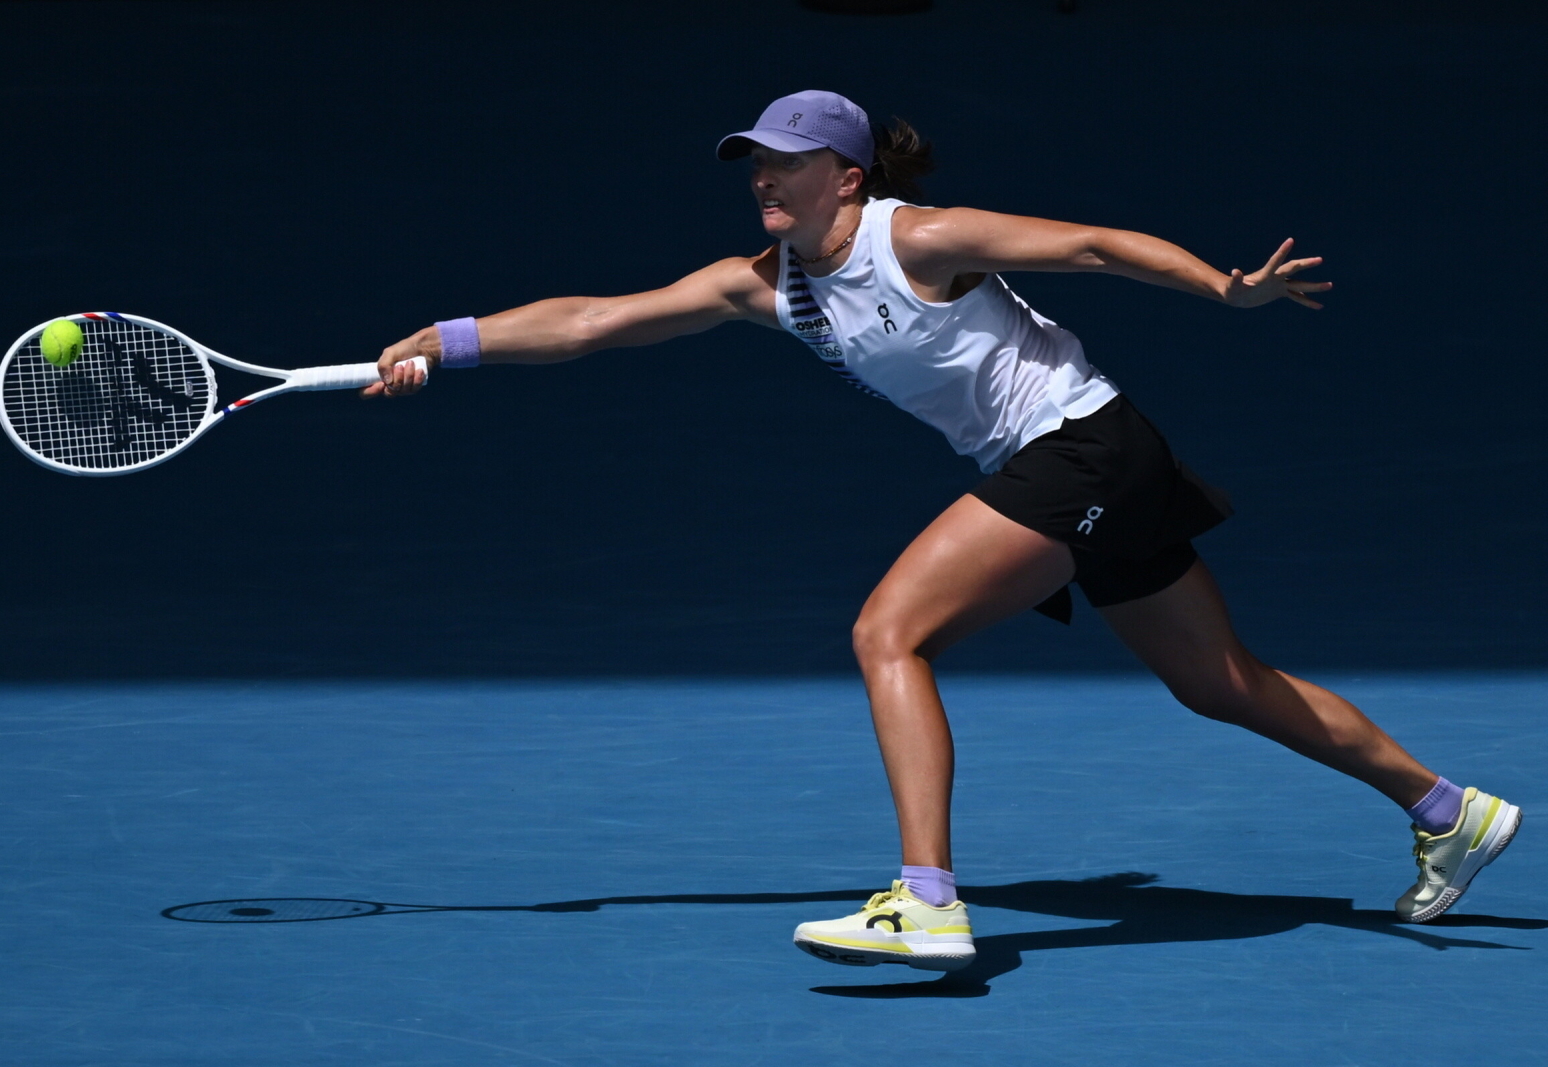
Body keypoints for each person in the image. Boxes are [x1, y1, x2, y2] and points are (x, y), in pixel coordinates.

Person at [368, 91, 1521, 973]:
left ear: (846, 173)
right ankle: (1445, 809)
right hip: (1089, 459)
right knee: (1220, 681)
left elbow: (1093, 246)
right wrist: (444, 340)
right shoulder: (759, 282)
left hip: (1079, 447)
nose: (762, 177)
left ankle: (926, 899)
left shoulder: (918, 237)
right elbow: (590, 323)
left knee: (889, 632)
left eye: (784, 161)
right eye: (753, 162)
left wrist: (1225, 292)